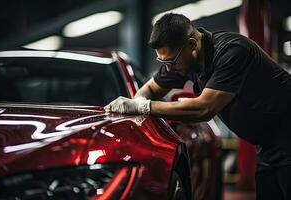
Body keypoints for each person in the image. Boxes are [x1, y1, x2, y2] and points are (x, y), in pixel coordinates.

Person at [104, 13, 291, 200]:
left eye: (171, 61)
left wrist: (143, 108)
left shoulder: (232, 51)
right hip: (267, 147)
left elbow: (205, 108)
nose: (168, 69)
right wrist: (136, 103)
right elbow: (151, 89)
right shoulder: (183, 60)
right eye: (163, 62)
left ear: (192, 45)